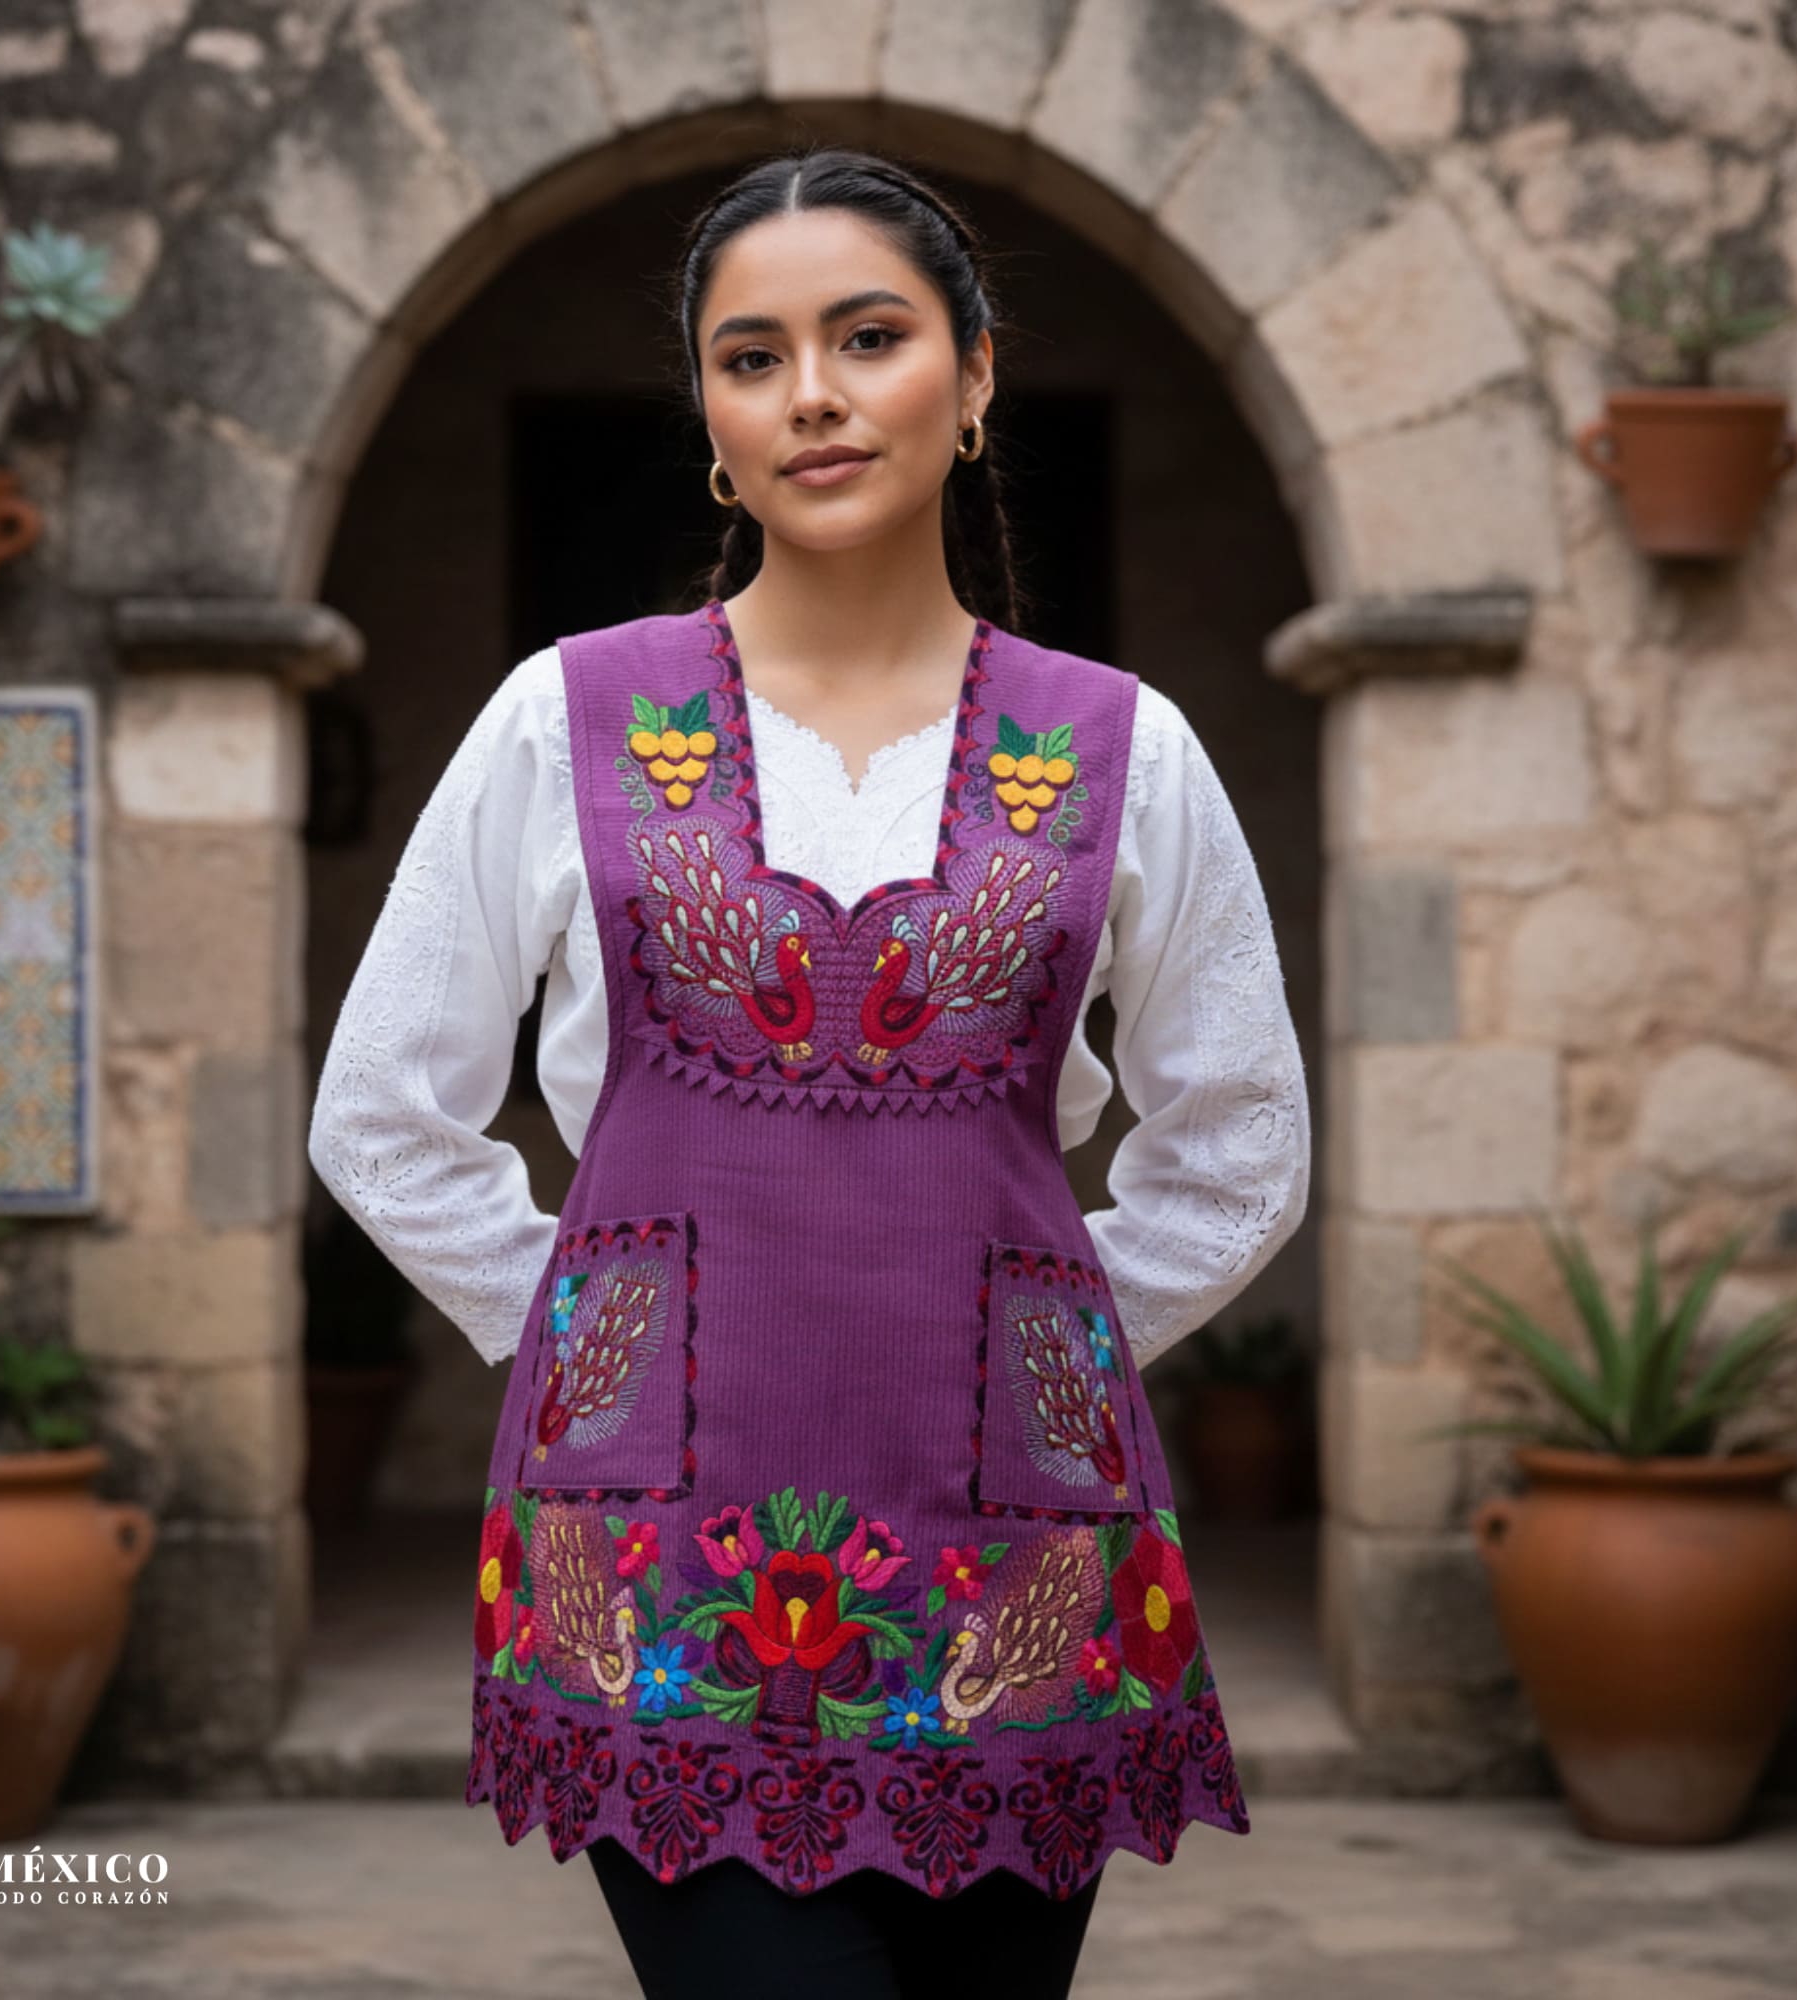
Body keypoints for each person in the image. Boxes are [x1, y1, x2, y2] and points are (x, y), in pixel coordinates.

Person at [308, 144, 1311, 2000]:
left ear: (977, 372)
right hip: (658, 1579)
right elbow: (382, 1111)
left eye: (868, 338)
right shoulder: (568, 718)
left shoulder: (1122, 750)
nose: (815, 397)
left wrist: (1050, 1349)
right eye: (752, 356)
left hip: (1026, 1578)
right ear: (708, 409)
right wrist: (597, 1348)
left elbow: (1241, 1146)